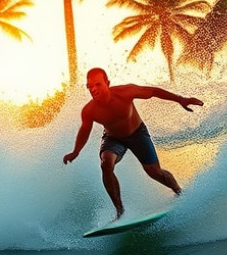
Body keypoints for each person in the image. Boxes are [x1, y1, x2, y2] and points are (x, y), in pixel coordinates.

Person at [63, 68, 204, 219]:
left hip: (138, 134)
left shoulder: (125, 92)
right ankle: (120, 211)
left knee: (154, 172)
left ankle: (179, 192)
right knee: (106, 164)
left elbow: (154, 91)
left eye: (97, 84)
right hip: (113, 138)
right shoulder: (89, 110)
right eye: (90, 87)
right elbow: (85, 130)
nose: (93, 89)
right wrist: (76, 151)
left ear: (107, 83)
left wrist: (180, 99)